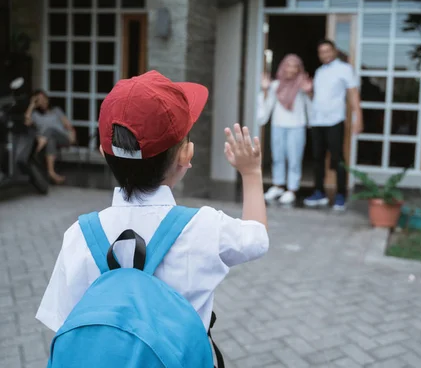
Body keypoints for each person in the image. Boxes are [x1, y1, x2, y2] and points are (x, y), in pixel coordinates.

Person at [35, 71, 269, 352]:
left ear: (102, 150)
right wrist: (251, 173)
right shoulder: (204, 227)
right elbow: (258, 237)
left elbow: (63, 322)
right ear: (186, 155)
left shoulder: (79, 236)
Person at [303, 39, 363, 211]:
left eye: (328, 51)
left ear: (335, 51)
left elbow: (353, 94)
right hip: (317, 121)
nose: (325, 55)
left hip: (335, 120)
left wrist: (358, 117)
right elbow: (317, 98)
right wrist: (309, 91)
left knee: (337, 158)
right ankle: (319, 192)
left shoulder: (345, 69)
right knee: (317, 158)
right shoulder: (320, 71)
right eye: (321, 52)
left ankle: (340, 195)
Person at [258, 54, 312, 205]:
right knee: (278, 158)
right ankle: (278, 186)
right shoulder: (275, 85)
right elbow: (266, 106)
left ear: (299, 69)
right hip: (278, 125)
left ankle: (292, 189)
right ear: (283, 67)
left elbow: (311, 107)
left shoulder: (302, 86)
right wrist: (265, 90)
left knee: (294, 159)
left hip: (296, 126)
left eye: (295, 66)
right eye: (288, 65)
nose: (291, 69)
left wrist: (309, 92)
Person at [24, 89, 76, 184]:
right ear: (36, 102)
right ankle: (51, 173)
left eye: (44, 98)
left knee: (50, 131)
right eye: (39, 99)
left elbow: (68, 125)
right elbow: (27, 122)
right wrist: (31, 105)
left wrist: (72, 134)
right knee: (50, 139)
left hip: (62, 137)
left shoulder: (56, 110)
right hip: (48, 140)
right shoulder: (35, 115)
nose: (43, 101)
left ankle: (35, 152)